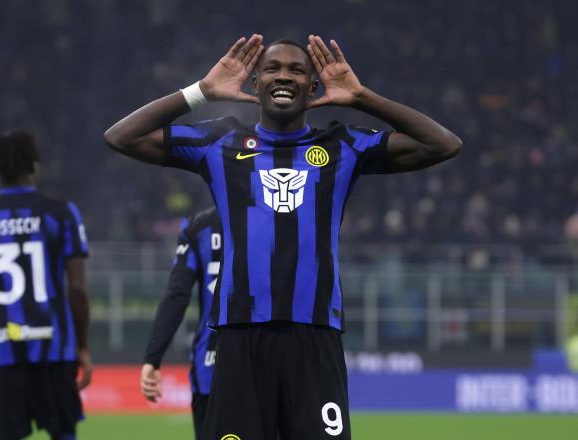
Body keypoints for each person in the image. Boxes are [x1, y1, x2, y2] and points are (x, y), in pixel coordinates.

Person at [104, 34, 461, 440]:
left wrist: (362, 97)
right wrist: (199, 92)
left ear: (314, 87)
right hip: (240, 339)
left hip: (314, 338)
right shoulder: (221, 142)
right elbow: (121, 137)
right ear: (254, 85)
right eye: (272, 68)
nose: (284, 76)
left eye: (297, 70)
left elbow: (443, 145)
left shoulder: (342, 144)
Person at [0, 130, 93, 440]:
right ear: (34, 165)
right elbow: (77, 289)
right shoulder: (62, 214)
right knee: (63, 433)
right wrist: (82, 347)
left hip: (1, 354)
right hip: (55, 352)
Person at [141, 207, 222, 439]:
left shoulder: (200, 227)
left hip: (210, 367)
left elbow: (177, 295)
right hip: (263, 367)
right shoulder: (275, 218)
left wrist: (152, 358)